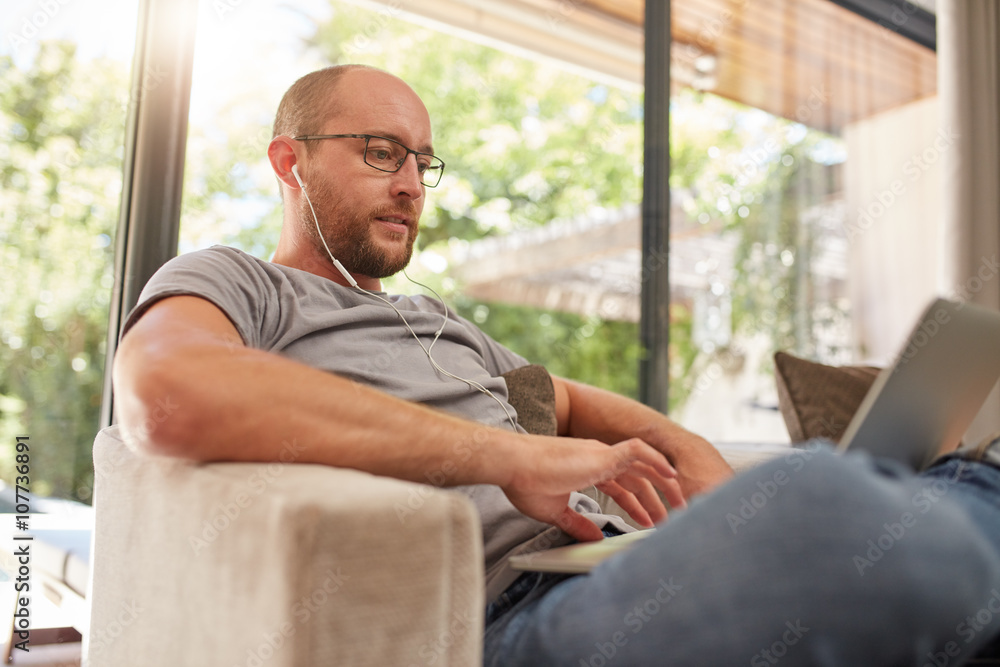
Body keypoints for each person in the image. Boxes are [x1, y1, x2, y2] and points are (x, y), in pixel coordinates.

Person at [113, 64, 1000, 666]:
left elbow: (568, 397)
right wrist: (516, 457)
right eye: (381, 153)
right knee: (829, 503)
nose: (412, 185)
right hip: (507, 617)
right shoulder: (235, 281)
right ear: (289, 162)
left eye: (423, 162)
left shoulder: (436, 320)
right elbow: (167, 396)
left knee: (940, 479)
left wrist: (679, 440)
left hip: (608, 562)